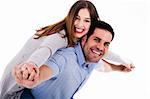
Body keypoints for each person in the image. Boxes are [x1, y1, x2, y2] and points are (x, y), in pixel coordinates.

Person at [0, 0, 133, 99]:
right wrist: (32, 64)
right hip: (19, 78)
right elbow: (45, 50)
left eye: (86, 21)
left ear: (92, 24)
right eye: (77, 18)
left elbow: (101, 56)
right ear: (70, 17)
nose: (80, 24)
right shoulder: (61, 36)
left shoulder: (84, 44)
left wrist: (122, 64)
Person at [19, 20, 133, 99]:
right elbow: (47, 70)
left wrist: (119, 68)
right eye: (97, 40)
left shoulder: (92, 58)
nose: (100, 47)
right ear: (84, 39)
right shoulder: (65, 57)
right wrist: (34, 77)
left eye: (106, 44)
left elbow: (103, 67)